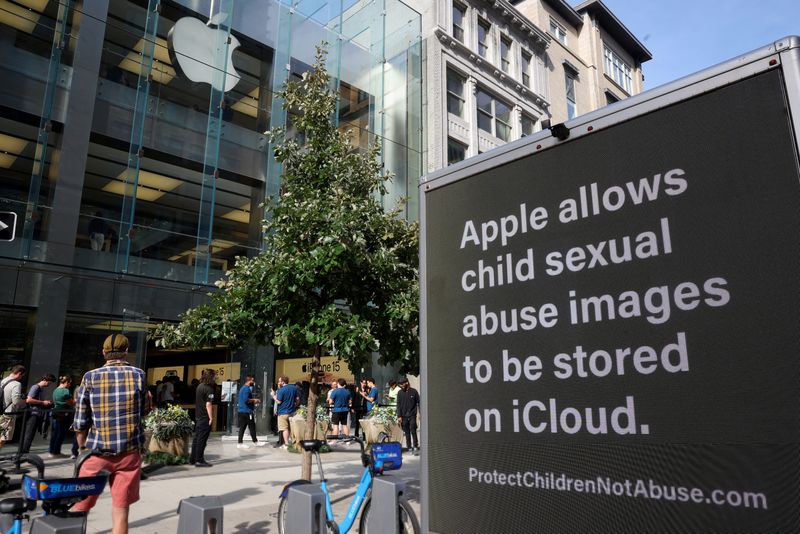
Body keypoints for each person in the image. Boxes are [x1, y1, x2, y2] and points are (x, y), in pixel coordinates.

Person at [72, 333, 147, 534]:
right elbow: (144, 410)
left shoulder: (90, 376)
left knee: (80, 506)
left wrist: (82, 448)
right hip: (129, 452)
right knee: (121, 510)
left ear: (104, 352)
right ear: (126, 351)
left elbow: (80, 421)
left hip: (97, 452)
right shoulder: (138, 374)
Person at [21, 373, 55, 453]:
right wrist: (43, 402)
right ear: (45, 380)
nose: (49, 384)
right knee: (29, 433)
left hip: (36, 413)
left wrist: (45, 403)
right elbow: (29, 400)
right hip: (32, 414)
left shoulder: (40, 388)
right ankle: (24, 452)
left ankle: (25, 451)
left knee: (31, 434)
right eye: (49, 382)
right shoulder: (35, 387)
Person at [190, 369, 216, 467]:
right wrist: (211, 417)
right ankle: (199, 460)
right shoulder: (209, 389)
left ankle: (193, 459)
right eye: (214, 376)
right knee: (202, 439)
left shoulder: (199, 386)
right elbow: (208, 404)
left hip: (198, 416)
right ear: (211, 376)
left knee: (196, 438)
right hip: (205, 417)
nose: (215, 377)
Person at [48, 375, 75, 458]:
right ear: (66, 382)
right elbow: (70, 402)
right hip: (63, 413)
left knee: (55, 433)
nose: (70, 385)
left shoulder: (56, 390)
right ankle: (56, 452)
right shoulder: (65, 390)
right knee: (60, 433)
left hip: (55, 412)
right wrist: (75, 401)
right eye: (69, 383)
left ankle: (52, 451)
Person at [0, 364, 26, 449]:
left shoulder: (3, 381)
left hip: (1, 412)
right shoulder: (16, 384)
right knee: (3, 437)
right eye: (22, 376)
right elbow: (16, 401)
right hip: (8, 414)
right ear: (19, 373)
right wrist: (25, 401)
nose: (21, 378)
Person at [237, 375, 265, 449]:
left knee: (243, 427)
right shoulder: (246, 389)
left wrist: (252, 400)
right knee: (252, 426)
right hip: (247, 411)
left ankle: (240, 443)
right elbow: (246, 400)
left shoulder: (243, 388)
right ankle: (255, 442)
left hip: (242, 411)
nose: (253, 382)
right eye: (253, 380)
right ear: (249, 381)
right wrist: (255, 400)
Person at [271, 375, 297, 450]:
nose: (278, 382)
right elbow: (297, 399)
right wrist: (294, 405)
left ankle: (286, 444)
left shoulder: (281, 390)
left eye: (279, 381)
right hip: (292, 412)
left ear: (283, 382)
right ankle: (293, 442)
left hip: (283, 412)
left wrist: (273, 396)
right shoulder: (294, 388)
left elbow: (279, 401)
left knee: (284, 429)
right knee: (291, 428)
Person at [396, 378, 420, 453]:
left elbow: (419, 402)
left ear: (406, 383)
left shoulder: (414, 391)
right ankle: (409, 447)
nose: (401, 386)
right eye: (400, 385)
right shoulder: (400, 393)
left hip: (412, 414)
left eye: (402, 384)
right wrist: (399, 416)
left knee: (413, 430)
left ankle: (415, 446)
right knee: (407, 432)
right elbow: (398, 405)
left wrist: (420, 413)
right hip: (403, 415)